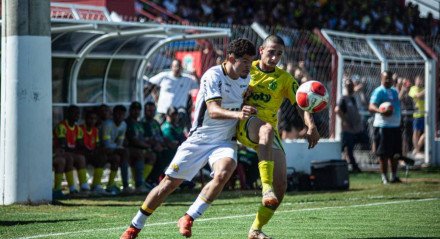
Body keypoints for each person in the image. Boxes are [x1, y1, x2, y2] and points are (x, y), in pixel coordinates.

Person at [120, 38, 256, 239]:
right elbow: (214, 110)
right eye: (244, 61)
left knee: (224, 172)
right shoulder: (213, 75)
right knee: (168, 184)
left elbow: (246, 94)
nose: (248, 66)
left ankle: (189, 217)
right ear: (230, 58)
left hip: (224, 141)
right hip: (199, 139)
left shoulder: (247, 78)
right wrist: (239, 115)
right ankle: (134, 226)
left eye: (250, 61)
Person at [236, 35, 320, 239]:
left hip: (268, 130)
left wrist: (311, 125)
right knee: (266, 130)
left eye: (279, 54)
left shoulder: (284, 79)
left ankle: (255, 229)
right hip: (244, 123)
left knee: (281, 184)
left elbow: (301, 103)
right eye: (271, 52)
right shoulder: (247, 68)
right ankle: (265, 189)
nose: (275, 57)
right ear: (261, 50)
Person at [368, 71, 402, 184]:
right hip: (383, 127)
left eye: (390, 79)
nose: (388, 81)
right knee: (383, 154)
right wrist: (381, 111)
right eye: (386, 78)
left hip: (395, 126)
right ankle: (384, 177)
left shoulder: (394, 91)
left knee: (395, 154)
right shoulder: (379, 91)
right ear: (381, 79)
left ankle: (394, 176)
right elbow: (371, 106)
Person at [144, 58, 199, 126]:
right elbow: (150, 83)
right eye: (175, 66)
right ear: (171, 67)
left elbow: (199, 85)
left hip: (178, 113)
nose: (177, 68)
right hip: (163, 111)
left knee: (178, 133)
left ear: (182, 67)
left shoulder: (187, 79)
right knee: (158, 129)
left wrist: (195, 75)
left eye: (179, 66)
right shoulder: (164, 76)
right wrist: (155, 95)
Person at [53, 105, 90, 194]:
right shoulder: (62, 126)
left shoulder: (78, 129)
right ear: (68, 114)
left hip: (70, 152)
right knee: (69, 158)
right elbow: (63, 145)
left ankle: (84, 186)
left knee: (81, 158)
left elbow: (80, 145)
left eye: (78, 114)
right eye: (75, 113)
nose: (77, 115)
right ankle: (69, 188)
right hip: (57, 152)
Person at [335, 79, 369, 173]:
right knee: (347, 148)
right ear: (345, 87)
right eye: (348, 85)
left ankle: (352, 165)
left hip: (356, 128)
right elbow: (337, 110)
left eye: (351, 85)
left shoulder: (352, 98)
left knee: (364, 141)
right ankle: (352, 166)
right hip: (348, 129)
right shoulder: (343, 98)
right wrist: (346, 121)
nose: (350, 87)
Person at [101, 105, 131, 194]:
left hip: (113, 150)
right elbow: (106, 144)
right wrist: (118, 148)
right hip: (101, 149)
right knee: (125, 153)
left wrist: (119, 147)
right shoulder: (107, 124)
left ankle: (110, 186)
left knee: (118, 158)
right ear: (113, 114)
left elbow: (120, 143)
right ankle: (125, 185)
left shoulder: (124, 125)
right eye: (118, 114)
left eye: (122, 114)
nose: (120, 116)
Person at [79, 110, 109, 195]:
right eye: (90, 118)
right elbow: (80, 144)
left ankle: (96, 185)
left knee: (102, 158)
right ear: (86, 119)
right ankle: (83, 186)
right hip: (82, 153)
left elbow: (97, 144)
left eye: (94, 119)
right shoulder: (80, 129)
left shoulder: (95, 130)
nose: (92, 121)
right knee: (81, 158)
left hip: (91, 153)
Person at [125, 101, 152, 193]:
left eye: (138, 110)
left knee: (153, 156)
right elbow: (133, 140)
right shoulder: (128, 122)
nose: (136, 112)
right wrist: (147, 146)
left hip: (141, 147)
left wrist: (149, 145)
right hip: (130, 148)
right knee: (140, 154)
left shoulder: (140, 123)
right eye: (134, 110)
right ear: (130, 111)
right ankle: (139, 184)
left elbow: (145, 138)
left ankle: (142, 181)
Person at [408, 75, 425, 158]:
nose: (419, 82)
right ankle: (417, 150)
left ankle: (416, 149)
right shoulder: (413, 88)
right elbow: (417, 96)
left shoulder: (424, 89)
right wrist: (426, 90)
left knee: (426, 133)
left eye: (421, 80)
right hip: (417, 114)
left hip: (425, 114)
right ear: (415, 81)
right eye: (418, 80)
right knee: (416, 133)